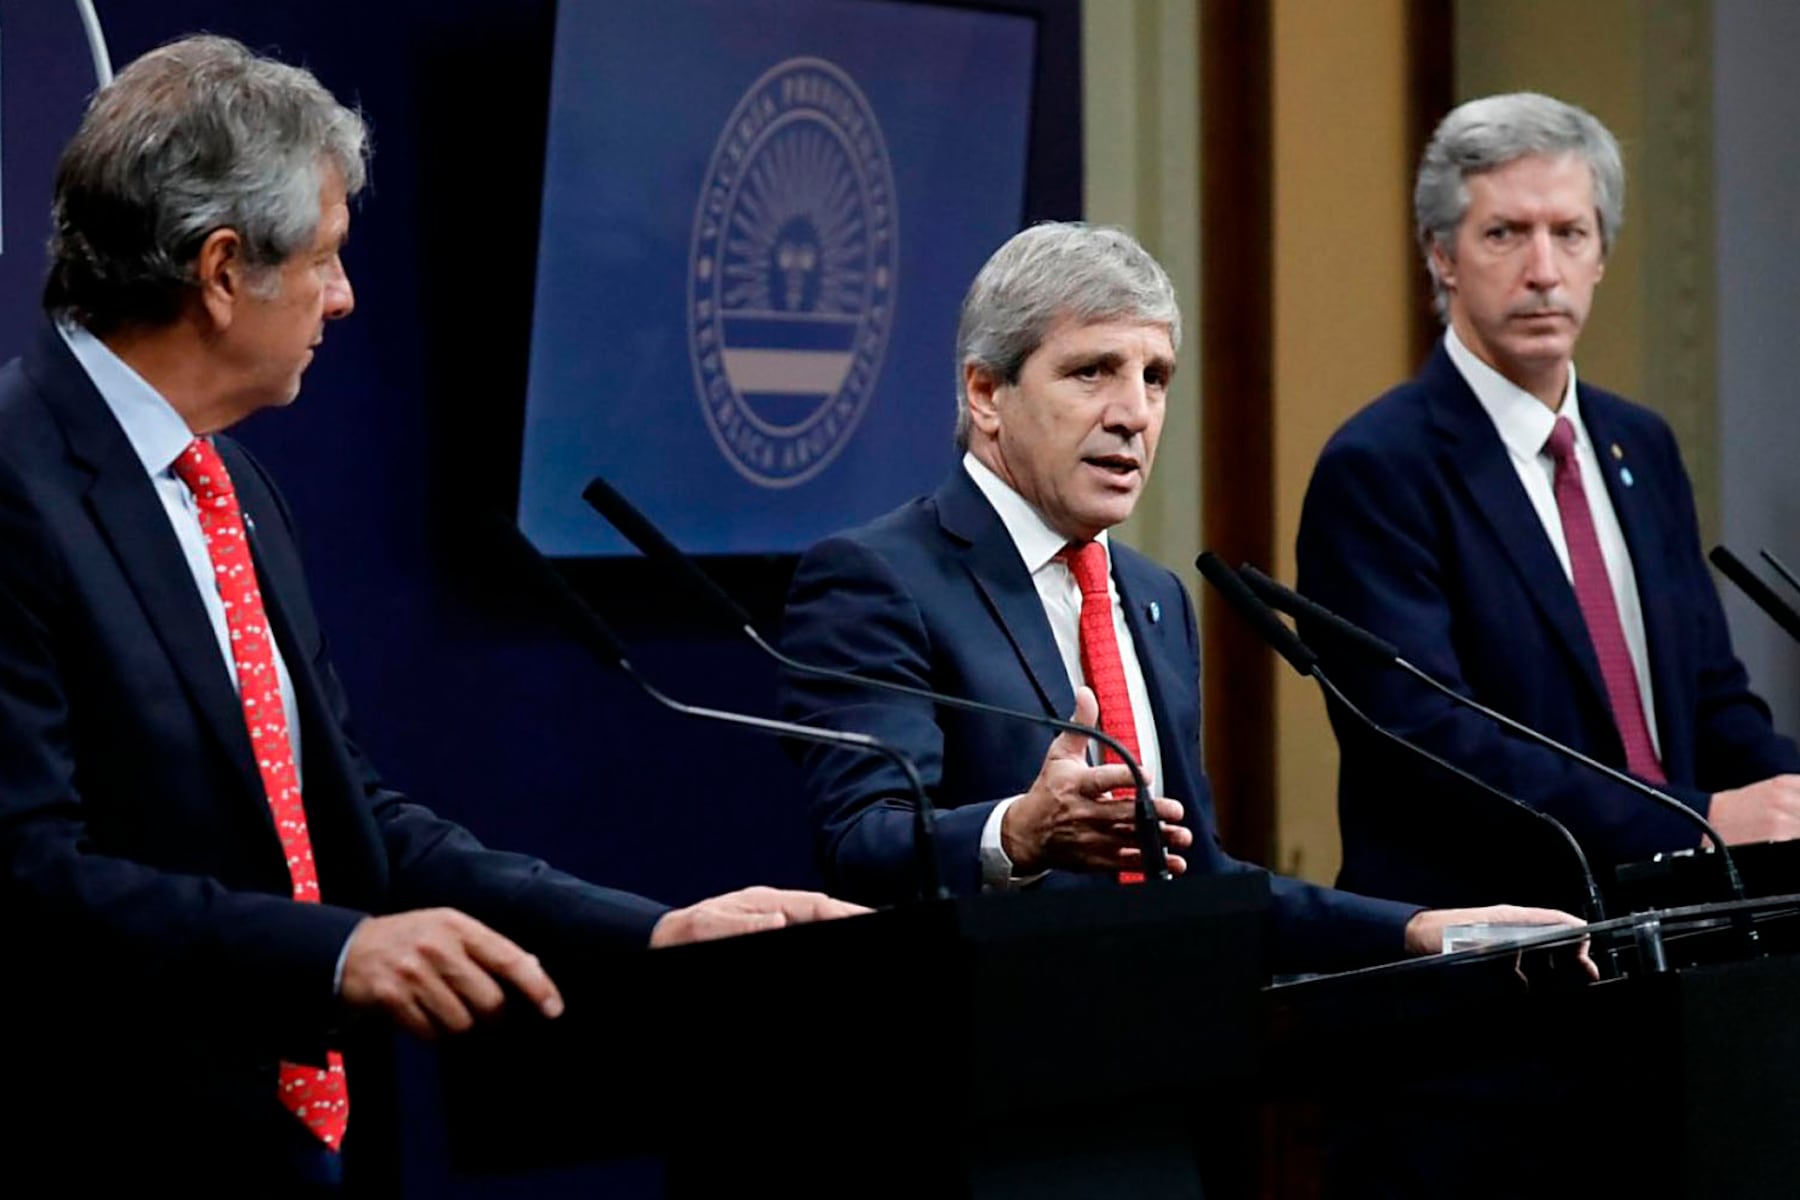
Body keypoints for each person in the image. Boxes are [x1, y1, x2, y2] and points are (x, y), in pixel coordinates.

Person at [0, 35, 860, 1191]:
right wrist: (337, 952)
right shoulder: (14, 482)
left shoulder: (230, 486)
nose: (345, 298)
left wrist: (653, 934)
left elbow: (349, 819)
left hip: (319, 1138)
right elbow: (27, 876)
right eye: (326, 258)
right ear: (219, 271)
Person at [777, 220, 1575, 973]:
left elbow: (1198, 881)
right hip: (988, 1074)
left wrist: (1414, 929)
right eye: (1091, 371)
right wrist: (1016, 835)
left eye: (1154, 378)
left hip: (1172, 1066)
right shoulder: (878, 579)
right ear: (987, 393)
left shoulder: (1153, 597)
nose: (1133, 415)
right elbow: (859, 845)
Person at [1296, 92, 1800, 909]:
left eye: (1569, 233)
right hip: (1500, 949)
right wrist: (1696, 821)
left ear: (1602, 254)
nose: (1542, 270)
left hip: (1678, 926)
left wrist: (1782, 795)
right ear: (1442, 255)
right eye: (1505, 234)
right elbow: (1433, 744)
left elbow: (1710, 700)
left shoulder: (1643, 445)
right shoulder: (1379, 467)